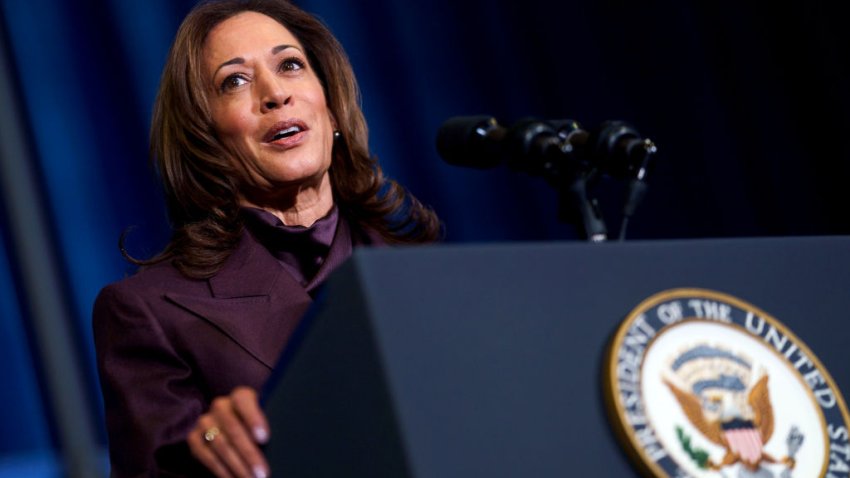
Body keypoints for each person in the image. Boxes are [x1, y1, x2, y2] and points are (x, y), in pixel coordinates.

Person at [92, 1, 440, 476]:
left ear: (332, 106)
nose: (275, 94)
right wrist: (210, 449)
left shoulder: (427, 272)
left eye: (291, 65)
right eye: (234, 81)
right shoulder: (149, 312)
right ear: (205, 138)